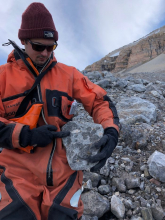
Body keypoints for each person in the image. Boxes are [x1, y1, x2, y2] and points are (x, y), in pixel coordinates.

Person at [0, 2, 119, 220]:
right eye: (38, 46)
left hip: (65, 171)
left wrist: (111, 132)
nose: (45, 53)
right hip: (16, 171)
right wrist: (26, 135)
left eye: (51, 46)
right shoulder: (3, 77)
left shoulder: (69, 75)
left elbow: (100, 101)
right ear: (23, 41)